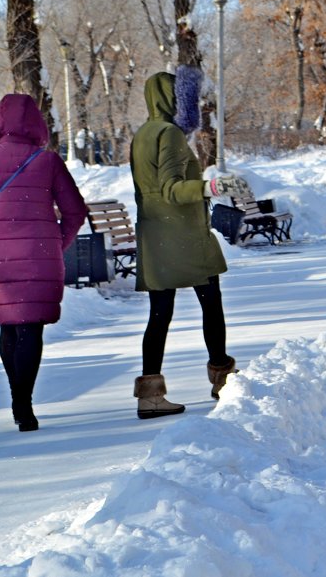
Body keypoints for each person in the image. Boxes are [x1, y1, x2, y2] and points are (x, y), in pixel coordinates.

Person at [130, 68, 247, 419]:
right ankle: (222, 377)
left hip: (154, 235)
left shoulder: (142, 134)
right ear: (174, 99)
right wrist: (212, 187)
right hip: (182, 235)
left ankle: (150, 395)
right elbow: (171, 188)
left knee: (159, 315)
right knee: (211, 302)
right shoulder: (169, 134)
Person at [0, 93, 88, 432]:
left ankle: (17, 398)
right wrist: (55, 243)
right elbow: (75, 212)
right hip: (38, 259)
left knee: (7, 326)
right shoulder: (47, 161)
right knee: (29, 329)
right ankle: (25, 403)